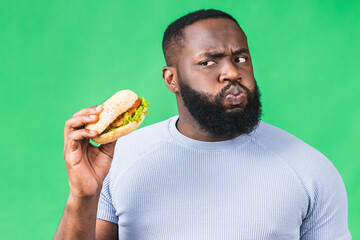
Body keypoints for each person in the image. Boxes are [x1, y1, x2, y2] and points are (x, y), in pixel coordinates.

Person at [54, 9, 351, 240]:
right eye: (209, 62)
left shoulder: (309, 169)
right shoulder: (120, 157)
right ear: (172, 79)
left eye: (241, 58)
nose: (231, 73)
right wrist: (84, 195)